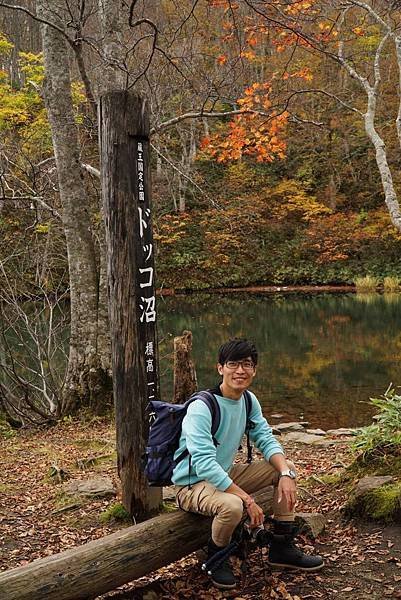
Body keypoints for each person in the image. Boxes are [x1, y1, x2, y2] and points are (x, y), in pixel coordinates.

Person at [172, 337, 324, 590]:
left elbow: (265, 438)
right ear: (220, 368)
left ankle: (282, 547)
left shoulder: (248, 400)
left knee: (286, 467)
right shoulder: (202, 407)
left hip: (225, 474)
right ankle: (216, 556)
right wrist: (247, 499)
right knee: (233, 506)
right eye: (233, 364)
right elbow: (204, 464)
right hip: (192, 484)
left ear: (254, 370)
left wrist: (285, 472)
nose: (240, 371)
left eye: (247, 364)